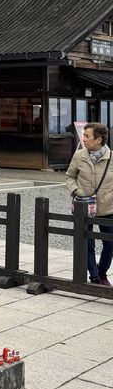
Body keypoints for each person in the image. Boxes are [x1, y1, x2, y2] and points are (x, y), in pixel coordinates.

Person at [66, 122, 113, 286]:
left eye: (87, 136)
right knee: (87, 243)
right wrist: (76, 191)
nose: (83, 139)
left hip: (108, 209)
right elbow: (70, 176)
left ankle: (102, 272)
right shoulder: (79, 155)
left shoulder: (112, 157)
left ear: (99, 139)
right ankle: (94, 276)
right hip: (83, 207)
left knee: (110, 243)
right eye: (83, 135)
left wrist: (110, 197)